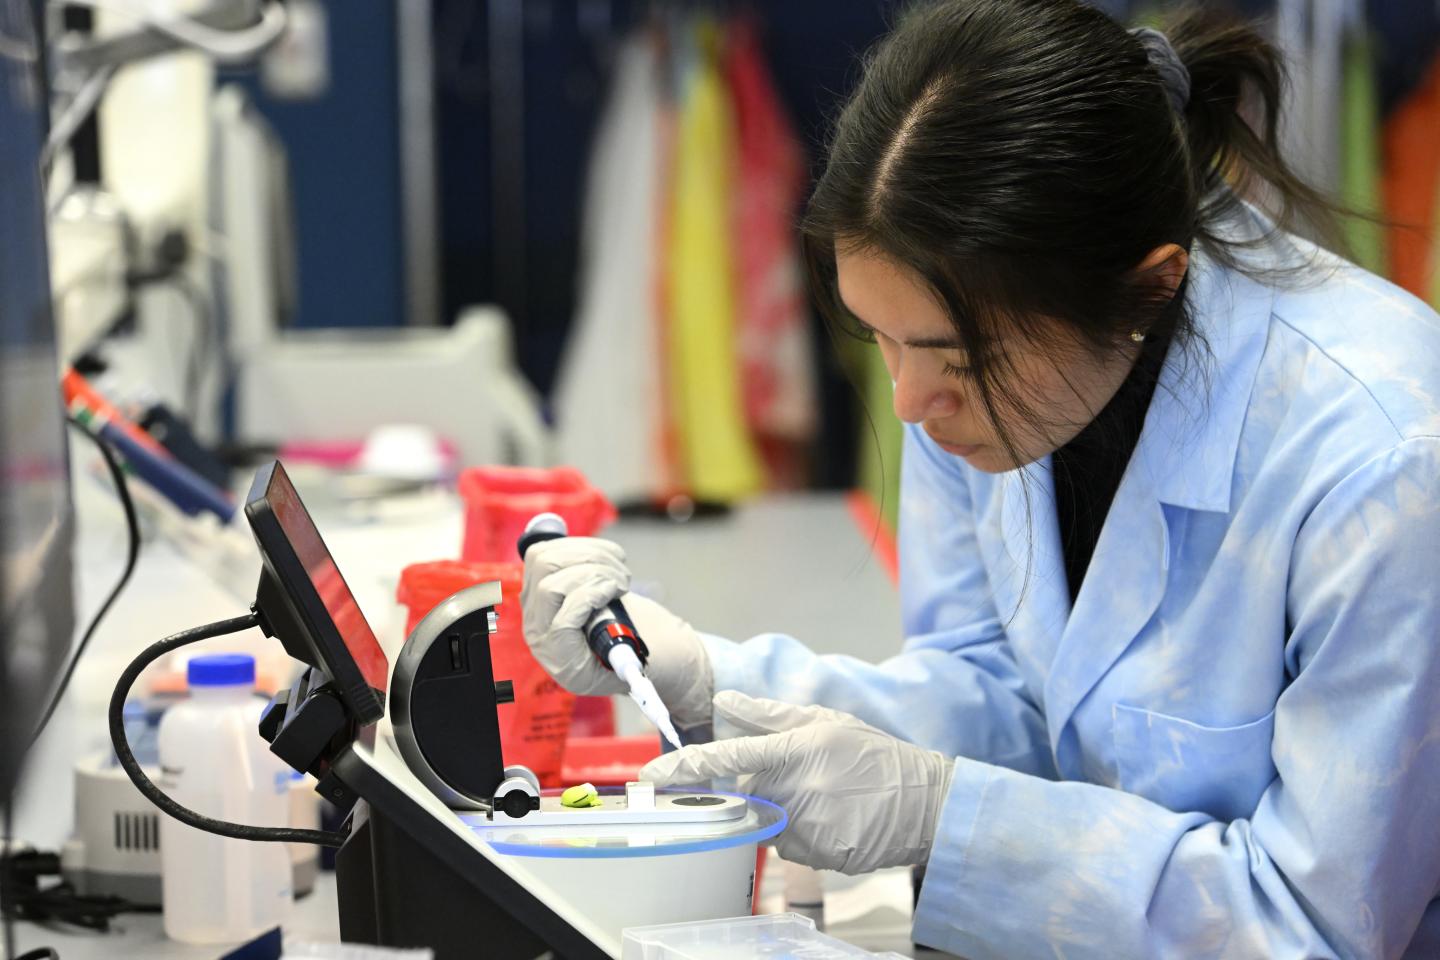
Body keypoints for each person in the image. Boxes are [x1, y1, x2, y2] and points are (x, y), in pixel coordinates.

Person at [521, 1, 1440, 956]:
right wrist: (710, 682)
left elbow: (1311, 924)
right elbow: (1007, 693)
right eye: (878, 337)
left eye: (952, 358)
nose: (910, 402)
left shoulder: (1386, 464)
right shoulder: (982, 341)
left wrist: (941, 821)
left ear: (1151, 289)